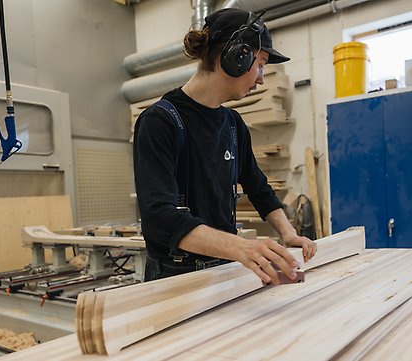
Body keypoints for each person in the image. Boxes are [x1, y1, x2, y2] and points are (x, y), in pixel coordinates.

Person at [133, 8, 317, 285]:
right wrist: (240, 247)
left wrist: (287, 232)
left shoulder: (233, 124)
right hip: (175, 276)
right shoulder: (160, 121)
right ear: (236, 57)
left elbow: (258, 186)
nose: (261, 78)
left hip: (224, 269)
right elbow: (159, 217)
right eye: (261, 64)